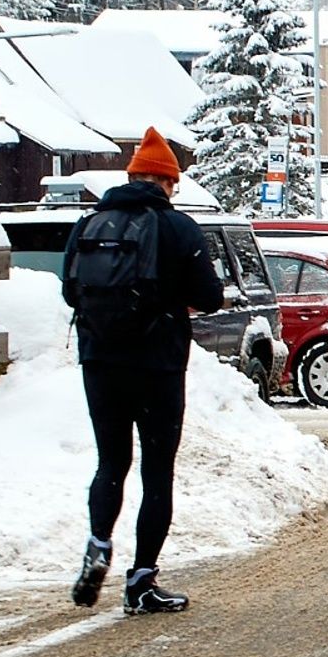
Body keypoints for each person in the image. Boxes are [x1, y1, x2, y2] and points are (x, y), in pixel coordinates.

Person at [64, 128, 224, 614]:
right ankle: (141, 581)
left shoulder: (89, 224)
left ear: (132, 176)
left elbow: (72, 292)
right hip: (157, 365)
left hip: (100, 361)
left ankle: (98, 544)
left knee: (111, 461)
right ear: (168, 183)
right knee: (157, 471)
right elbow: (210, 297)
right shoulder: (179, 229)